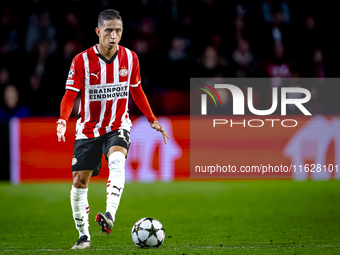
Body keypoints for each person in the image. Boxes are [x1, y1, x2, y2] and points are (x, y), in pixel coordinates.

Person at [56, 9, 170, 250]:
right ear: (98, 32)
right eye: (108, 30)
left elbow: (136, 90)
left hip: (118, 124)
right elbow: (69, 94)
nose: (114, 35)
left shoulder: (130, 58)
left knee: (117, 160)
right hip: (88, 129)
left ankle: (110, 214)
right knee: (79, 181)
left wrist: (151, 118)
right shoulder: (81, 60)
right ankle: (84, 235)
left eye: (118, 30)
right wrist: (63, 119)